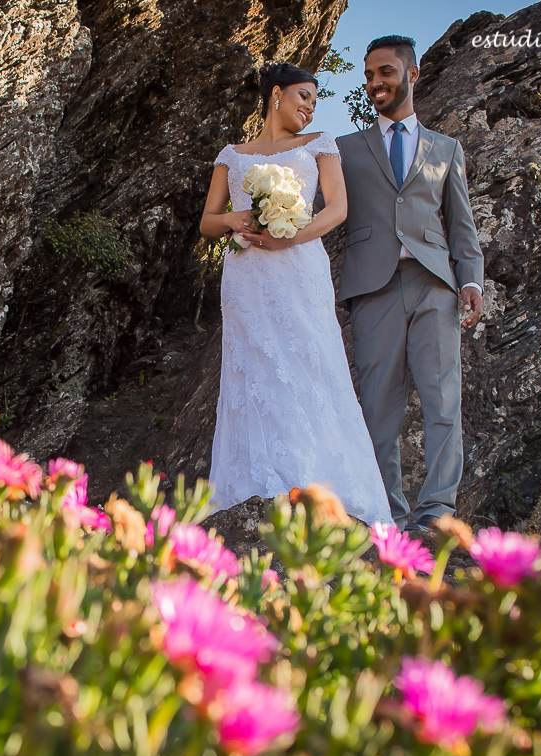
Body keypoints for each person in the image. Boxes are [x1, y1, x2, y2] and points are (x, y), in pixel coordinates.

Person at [199, 62, 392, 524]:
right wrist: (232, 221)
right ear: (277, 94)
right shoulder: (233, 154)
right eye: (303, 96)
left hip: (299, 268)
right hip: (247, 276)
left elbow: (338, 208)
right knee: (253, 369)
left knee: (311, 363)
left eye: (314, 100)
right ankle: (255, 480)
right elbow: (208, 221)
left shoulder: (319, 145)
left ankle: (320, 483)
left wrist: (292, 236)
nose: (309, 106)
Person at [337, 35, 484, 532]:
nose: (376, 82)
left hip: (435, 285)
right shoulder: (344, 150)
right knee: (378, 406)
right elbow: (323, 215)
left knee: (444, 403)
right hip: (373, 288)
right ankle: (389, 514)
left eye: (385, 72)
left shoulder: (447, 149)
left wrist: (472, 282)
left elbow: (462, 228)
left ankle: (438, 513)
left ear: (412, 74)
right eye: (369, 74)